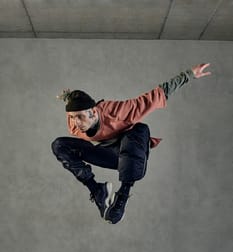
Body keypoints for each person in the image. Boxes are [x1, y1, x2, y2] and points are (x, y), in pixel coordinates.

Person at [51, 63, 211, 224]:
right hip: (110, 156)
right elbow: (72, 109)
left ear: (93, 112)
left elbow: (157, 95)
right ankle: (97, 191)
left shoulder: (118, 112)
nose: (76, 122)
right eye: (72, 117)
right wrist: (69, 98)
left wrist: (189, 74)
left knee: (140, 129)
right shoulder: (74, 125)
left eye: (79, 116)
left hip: (134, 154)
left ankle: (123, 195)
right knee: (59, 145)